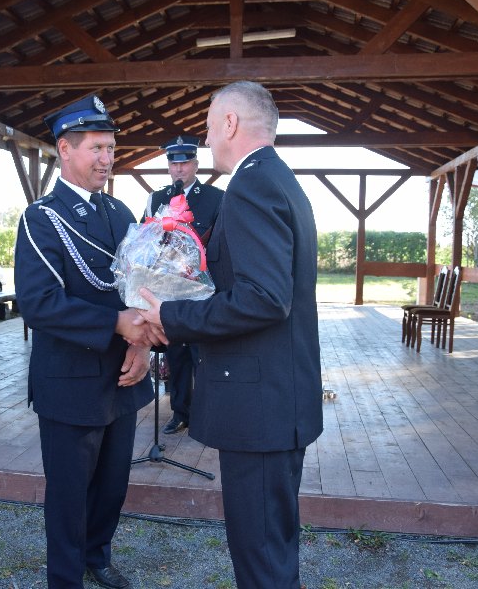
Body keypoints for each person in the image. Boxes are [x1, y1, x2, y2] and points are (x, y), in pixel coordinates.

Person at [137, 81, 323, 589]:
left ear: (231, 123)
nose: (206, 138)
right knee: (272, 549)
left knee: (260, 556)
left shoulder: (251, 185)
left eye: (208, 126)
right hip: (275, 401)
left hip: (259, 407)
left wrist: (173, 315)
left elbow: (264, 298)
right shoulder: (277, 178)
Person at [14, 95, 155, 589]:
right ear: (65, 149)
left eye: (111, 148)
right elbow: (39, 303)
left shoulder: (120, 211)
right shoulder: (41, 217)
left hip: (123, 374)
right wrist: (117, 325)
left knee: (113, 483)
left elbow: (141, 287)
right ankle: (65, 576)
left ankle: (98, 555)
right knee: (70, 491)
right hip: (70, 381)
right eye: (96, 148)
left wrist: (142, 344)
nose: (106, 159)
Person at [144, 136, 223, 434]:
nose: (179, 169)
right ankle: (181, 412)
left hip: (203, 290)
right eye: (174, 164)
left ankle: (208, 412)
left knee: (204, 354)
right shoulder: (156, 199)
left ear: (196, 165)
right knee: (176, 353)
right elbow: (145, 240)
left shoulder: (216, 198)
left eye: (185, 163)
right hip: (170, 290)